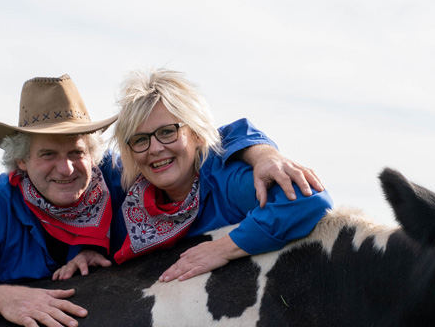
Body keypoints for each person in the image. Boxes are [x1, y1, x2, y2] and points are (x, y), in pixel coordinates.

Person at [0, 74, 323, 327]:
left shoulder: (122, 179)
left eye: (77, 152)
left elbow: (209, 137)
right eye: (48, 154)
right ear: (21, 161)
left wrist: (261, 152)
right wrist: (4, 298)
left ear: (96, 154)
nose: (66, 168)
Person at [54, 68, 333, 283]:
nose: (155, 149)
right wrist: (89, 248)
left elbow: (309, 201)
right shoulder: (130, 193)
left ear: (196, 134)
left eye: (167, 132)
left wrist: (224, 248)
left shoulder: (225, 179)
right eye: (140, 139)